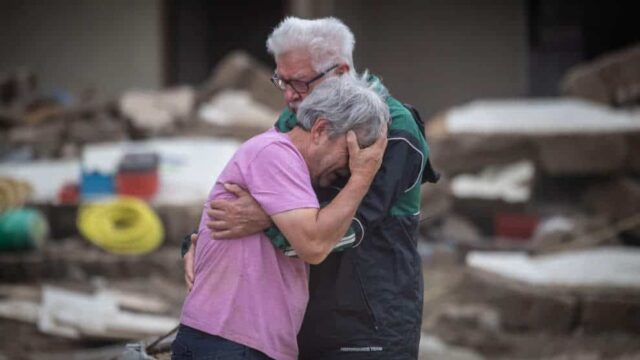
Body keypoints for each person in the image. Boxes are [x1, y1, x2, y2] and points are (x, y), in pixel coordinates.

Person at [183, 17, 434, 359]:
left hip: (371, 327)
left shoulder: (390, 129)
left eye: (299, 83)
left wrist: (267, 218)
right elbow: (257, 190)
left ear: (341, 71)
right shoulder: (297, 116)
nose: (288, 95)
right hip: (305, 324)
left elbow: (346, 230)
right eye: (281, 81)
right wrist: (200, 241)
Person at [172, 75, 389, 360]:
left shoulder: (288, 164)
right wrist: (362, 177)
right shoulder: (275, 154)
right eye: (349, 152)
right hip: (229, 343)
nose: (351, 165)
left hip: (243, 344)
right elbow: (313, 245)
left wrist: (267, 218)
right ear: (321, 130)